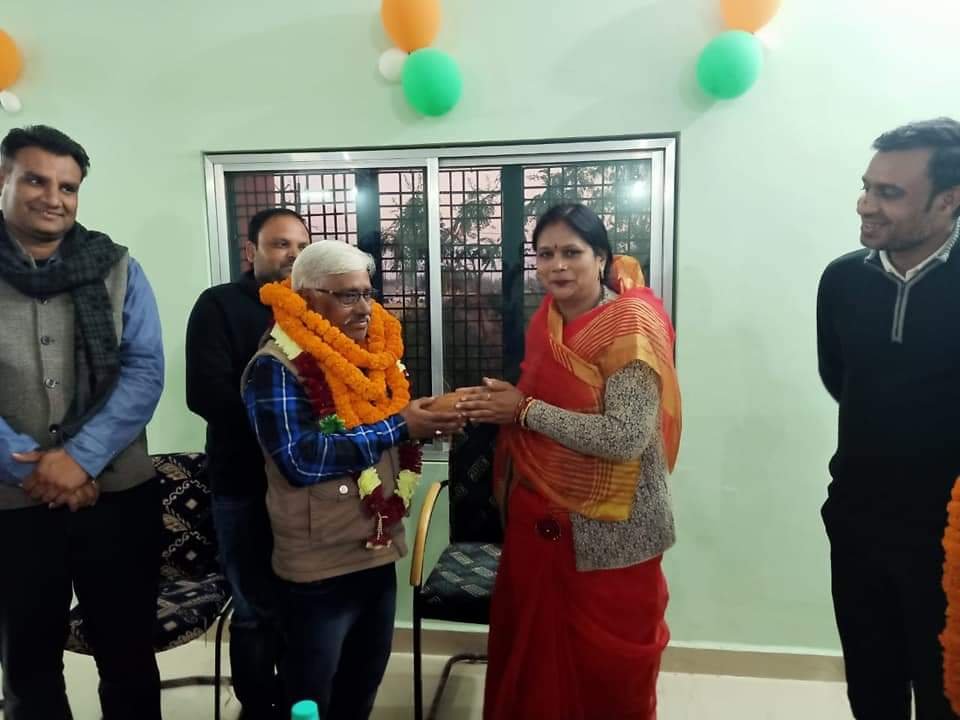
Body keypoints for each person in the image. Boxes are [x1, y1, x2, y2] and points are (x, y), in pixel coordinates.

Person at [457, 203, 682, 720]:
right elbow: (540, 401)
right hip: (538, 519)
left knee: (604, 674)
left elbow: (626, 437)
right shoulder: (550, 320)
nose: (556, 265)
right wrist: (497, 404)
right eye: (545, 254)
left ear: (600, 258)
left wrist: (524, 410)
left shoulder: (631, 327)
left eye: (571, 252)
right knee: (533, 659)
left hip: (611, 533)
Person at [241, 240, 463, 719]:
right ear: (306, 297)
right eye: (347, 296)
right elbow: (301, 459)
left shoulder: (368, 357)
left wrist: (426, 420)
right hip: (317, 569)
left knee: (360, 690)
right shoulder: (276, 366)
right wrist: (402, 425)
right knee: (310, 700)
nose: (365, 308)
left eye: (367, 292)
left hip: (375, 551)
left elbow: (383, 427)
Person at [0, 125, 164, 719]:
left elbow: (145, 372)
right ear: (3, 179)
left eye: (68, 187)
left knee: (129, 658)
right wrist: (32, 469)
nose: (53, 198)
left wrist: (79, 459)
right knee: (27, 666)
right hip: (11, 506)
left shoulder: (118, 267)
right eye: (36, 180)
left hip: (117, 497)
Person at [817, 117, 960, 719]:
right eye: (867, 186)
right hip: (859, 524)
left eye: (890, 193)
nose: (866, 205)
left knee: (946, 697)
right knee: (872, 693)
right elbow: (841, 380)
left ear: (948, 201)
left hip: (951, 538)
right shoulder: (842, 280)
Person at [186, 207, 310, 719]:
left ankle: (302, 703)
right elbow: (206, 394)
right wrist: (281, 430)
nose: (293, 256)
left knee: (302, 606)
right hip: (243, 484)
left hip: (305, 487)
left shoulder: (314, 310)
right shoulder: (220, 305)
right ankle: (258, 709)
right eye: (281, 245)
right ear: (250, 251)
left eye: (302, 247)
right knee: (255, 609)